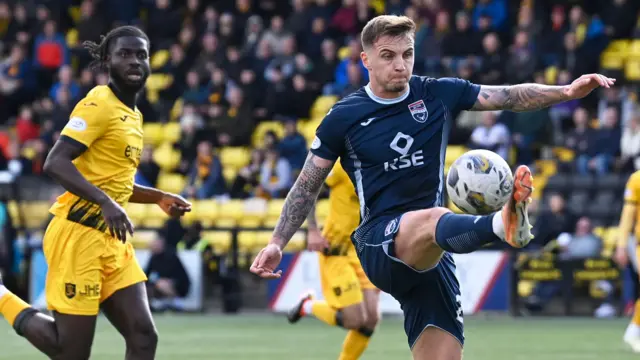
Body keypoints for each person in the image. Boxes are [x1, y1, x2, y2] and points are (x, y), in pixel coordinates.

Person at [250, 15, 615, 360]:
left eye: (407, 54)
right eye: (388, 56)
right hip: (380, 241)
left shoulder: (436, 93)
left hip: (433, 255)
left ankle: (498, 226)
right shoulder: (344, 116)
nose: (400, 65)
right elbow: (306, 186)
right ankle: (501, 225)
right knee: (433, 217)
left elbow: (506, 95)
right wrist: (277, 242)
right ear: (366, 60)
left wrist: (566, 92)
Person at [0, 26, 192, 360]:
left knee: (144, 337)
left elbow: (115, 183)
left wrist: (158, 196)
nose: (134, 61)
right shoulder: (98, 102)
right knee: (70, 352)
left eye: (141, 55)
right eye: (124, 54)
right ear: (107, 62)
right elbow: (55, 162)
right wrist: (104, 203)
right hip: (78, 236)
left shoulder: (134, 116)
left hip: (113, 241)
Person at [288, 161, 380, 360]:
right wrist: (312, 230)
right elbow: (308, 187)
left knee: (371, 319)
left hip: (362, 250)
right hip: (335, 250)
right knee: (355, 319)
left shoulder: (384, 166)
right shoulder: (344, 166)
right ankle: (308, 306)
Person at [615, 169, 640, 352]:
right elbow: (627, 216)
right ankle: (633, 331)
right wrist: (621, 245)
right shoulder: (637, 179)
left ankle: (633, 330)